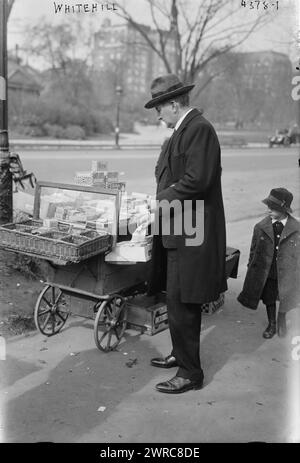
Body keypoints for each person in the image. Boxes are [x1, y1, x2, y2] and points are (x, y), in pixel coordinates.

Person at [144, 74, 227, 394]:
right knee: (175, 299)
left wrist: (157, 203)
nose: (158, 115)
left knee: (184, 303)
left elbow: (197, 180)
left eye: (159, 108)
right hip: (179, 229)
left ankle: (191, 373)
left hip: (193, 233)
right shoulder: (182, 131)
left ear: (174, 104)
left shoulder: (199, 130)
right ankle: (180, 354)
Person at [238, 188, 300, 338]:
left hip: (288, 271)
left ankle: (282, 318)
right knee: (269, 297)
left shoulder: (297, 229)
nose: (268, 210)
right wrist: (251, 268)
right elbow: (254, 250)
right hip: (268, 270)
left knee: (286, 296)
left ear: (284, 209)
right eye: (268, 207)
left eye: (273, 208)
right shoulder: (260, 227)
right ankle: (272, 323)